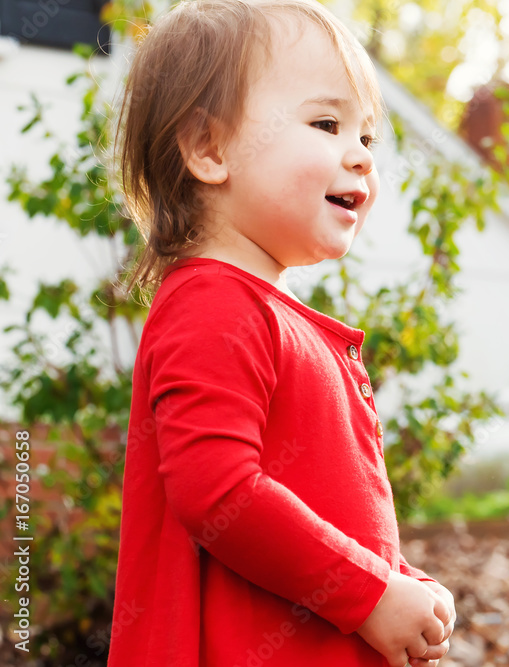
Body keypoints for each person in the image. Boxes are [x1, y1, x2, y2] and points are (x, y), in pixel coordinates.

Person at [106, 0, 455, 665]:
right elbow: (219, 492)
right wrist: (370, 594)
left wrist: (398, 580)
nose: (360, 157)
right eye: (327, 123)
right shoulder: (212, 303)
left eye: (367, 137)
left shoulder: (263, 311)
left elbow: (326, 512)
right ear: (209, 148)